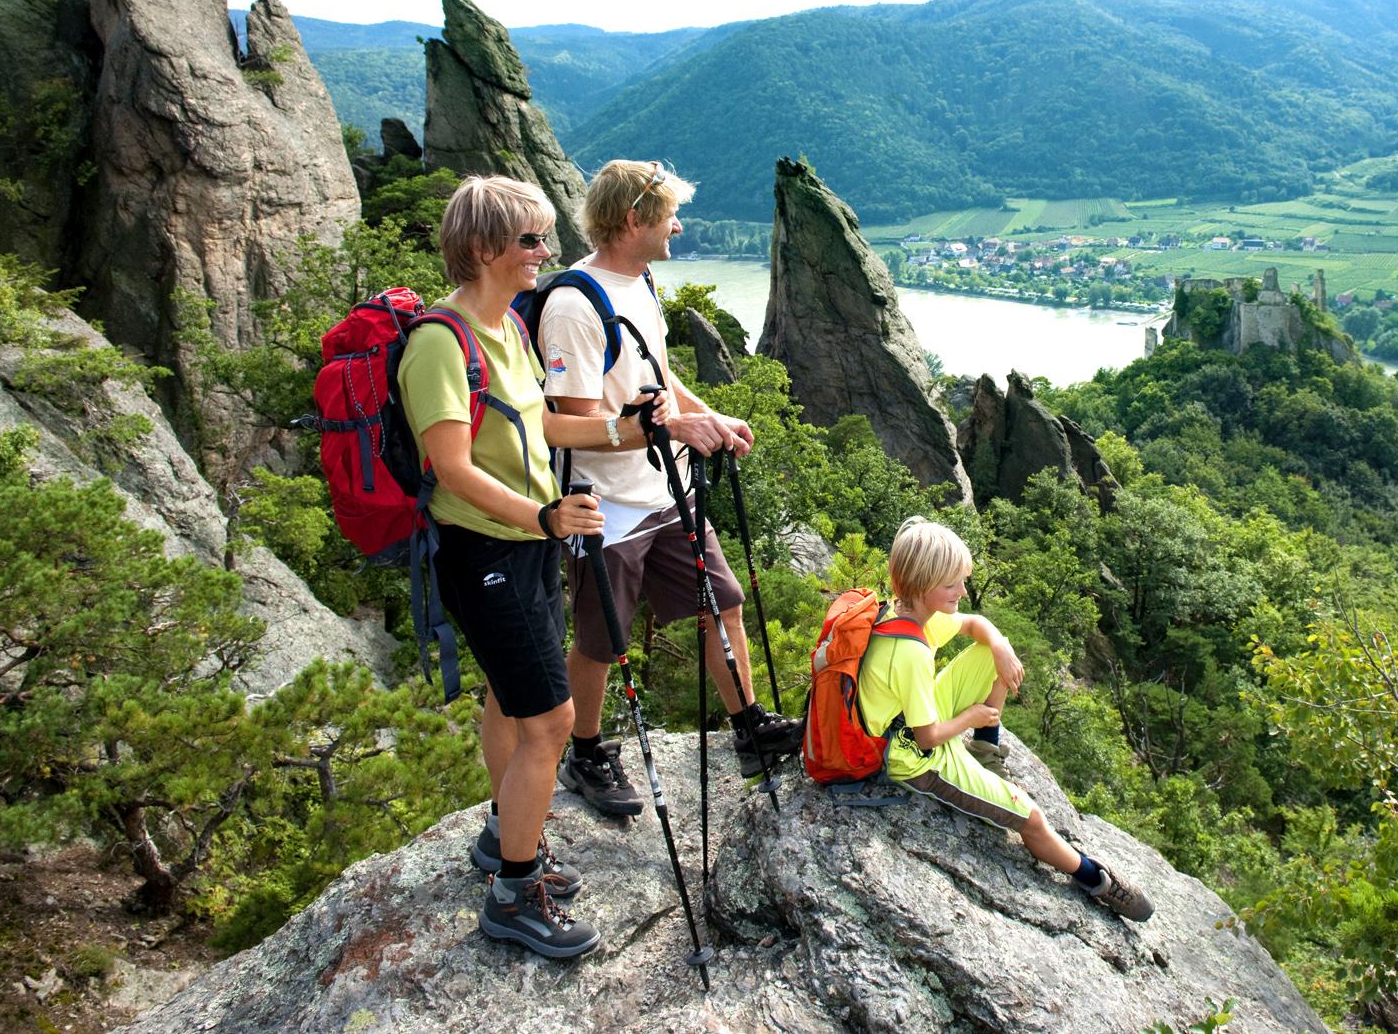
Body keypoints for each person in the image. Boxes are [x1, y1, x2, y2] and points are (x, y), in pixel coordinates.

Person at [398, 175, 628, 960]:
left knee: (508, 694)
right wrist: (541, 515)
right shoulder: (442, 341)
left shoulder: (513, 330)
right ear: (485, 246)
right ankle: (514, 894)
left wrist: (625, 430)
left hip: (528, 545)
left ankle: (507, 835)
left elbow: (546, 422)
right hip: (484, 548)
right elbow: (452, 467)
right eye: (530, 240)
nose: (544, 252)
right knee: (553, 721)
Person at [539, 159, 803, 818]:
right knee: (601, 641)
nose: (678, 226)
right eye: (668, 215)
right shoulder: (575, 305)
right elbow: (567, 426)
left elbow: (658, 376)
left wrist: (703, 415)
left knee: (725, 605)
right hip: (610, 509)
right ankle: (587, 751)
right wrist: (667, 427)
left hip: (668, 490)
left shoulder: (642, 279)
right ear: (633, 219)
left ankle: (749, 730)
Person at [858, 517, 1154, 921]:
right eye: (952, 585)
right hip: (913, 757)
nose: (962, 591)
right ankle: (1095, 879)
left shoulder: (905, 613)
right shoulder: (910, 653)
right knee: (1031, 819)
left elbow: (975, 624)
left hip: (907, 719)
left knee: (993, 649)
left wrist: (997, 643)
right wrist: (971, 715)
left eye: (962, 580)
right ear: (922, 585)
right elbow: (927, 738)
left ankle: (984, 748)